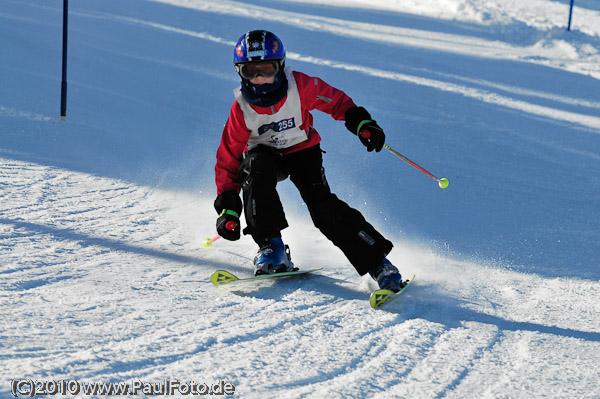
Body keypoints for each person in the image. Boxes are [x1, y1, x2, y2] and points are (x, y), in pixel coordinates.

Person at [213, 30, 405, 291]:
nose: (259, 79)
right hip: (265, 157)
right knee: (254, 169)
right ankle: (272, 247)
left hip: (302, 151)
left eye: (266, 69)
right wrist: (229, 207)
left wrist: (361, 122)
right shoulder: (241, 109)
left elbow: (336, 102)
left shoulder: (300, 86)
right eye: (250, 72)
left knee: (322, 207)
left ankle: (380, 264)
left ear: (279, 66)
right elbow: (228, 158)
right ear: (240, 72)